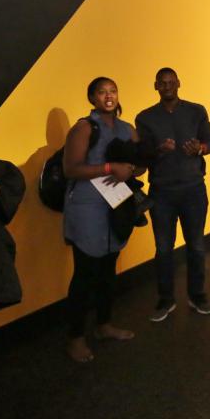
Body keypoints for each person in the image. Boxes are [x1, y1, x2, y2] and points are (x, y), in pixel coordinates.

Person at [61, 76, 140, 362]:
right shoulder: (84, 128)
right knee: (85, 273)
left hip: (116, 206)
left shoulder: (126, 128)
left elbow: (139, 164)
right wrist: (110, 166)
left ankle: (104, 325)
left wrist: (132, 167)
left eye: (113, 91)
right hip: (87, 207)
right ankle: (75, 337)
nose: (108, 96)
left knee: (108, 269)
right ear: (92, 98)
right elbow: (71, 169)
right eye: (101, 92)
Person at [135, 67, 210, 321]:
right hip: (162, 192)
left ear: (179, 83)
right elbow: (142, 156)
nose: (167, 86)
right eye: (162, 82)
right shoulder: (145, 118)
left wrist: (200, 148)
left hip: (193, 189)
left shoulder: (196, 111)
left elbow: (209, 142)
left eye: (171, 82)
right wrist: (159, 150)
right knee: (163, 249)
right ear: (156, 86)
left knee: (197, 246)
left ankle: (197, 295)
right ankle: (166, 299)